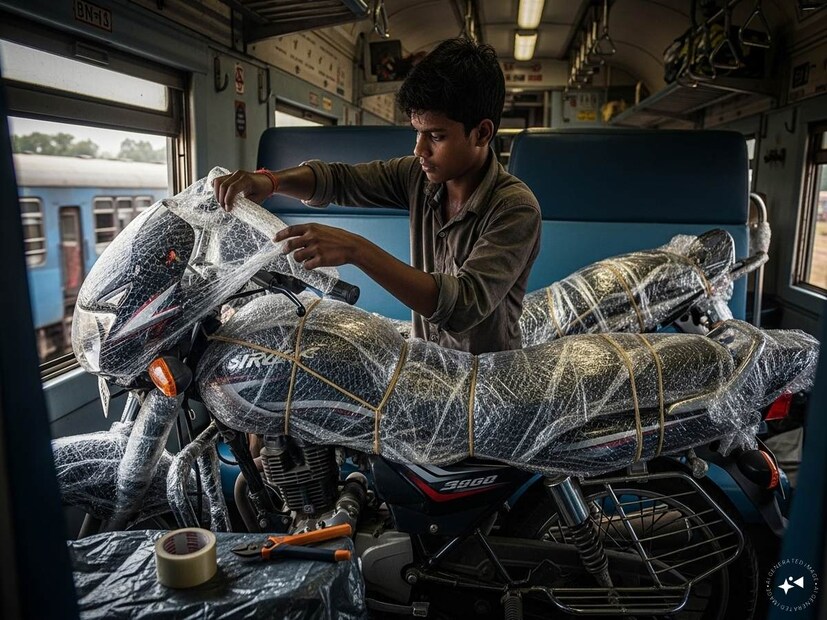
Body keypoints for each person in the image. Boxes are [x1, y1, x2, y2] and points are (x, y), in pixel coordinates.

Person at [214, 38, 541, 355]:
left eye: (436, 136)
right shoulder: (416, 176)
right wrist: (270, 181)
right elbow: (340, 180)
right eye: (417, 132)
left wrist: (356, 249)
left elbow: (462, 307)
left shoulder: (514, 208)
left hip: (487, 376)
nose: (419, 150)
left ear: (482, 133)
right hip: (427, 363)